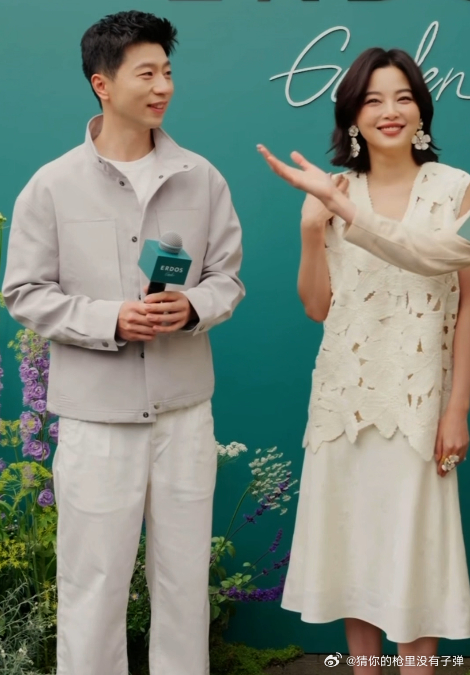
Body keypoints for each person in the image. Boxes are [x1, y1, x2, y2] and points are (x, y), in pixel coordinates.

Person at [2, 11, 244, 675]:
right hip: (96, 419)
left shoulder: (202, 177)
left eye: (167, 71)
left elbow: (228, 279)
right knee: (93, 585)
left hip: (185, 416)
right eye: (147, 73)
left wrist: (192, 306)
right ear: (102, 84)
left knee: (184, 582)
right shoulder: (51, 185)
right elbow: (23, 291)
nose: (163, 86)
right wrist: (110, 320)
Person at [259, 48, 470, 674]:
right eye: (373, 100)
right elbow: (317, 307)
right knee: (355, 551)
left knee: (415, 558)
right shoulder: (335, 190)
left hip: (421, 403)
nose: (389, 111)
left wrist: (456, 408)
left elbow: (464, 299)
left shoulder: (457, 190)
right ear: (353, 115)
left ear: (422, 111)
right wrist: (310, 230)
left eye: (403, 97)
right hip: (342, 403)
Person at [257, 144, 470, 277]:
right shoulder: (345, 184)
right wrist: (317, 218)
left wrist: (336, 201)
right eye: (373, 101)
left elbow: (434, 255)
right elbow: (429, 252)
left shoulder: (455, 184)